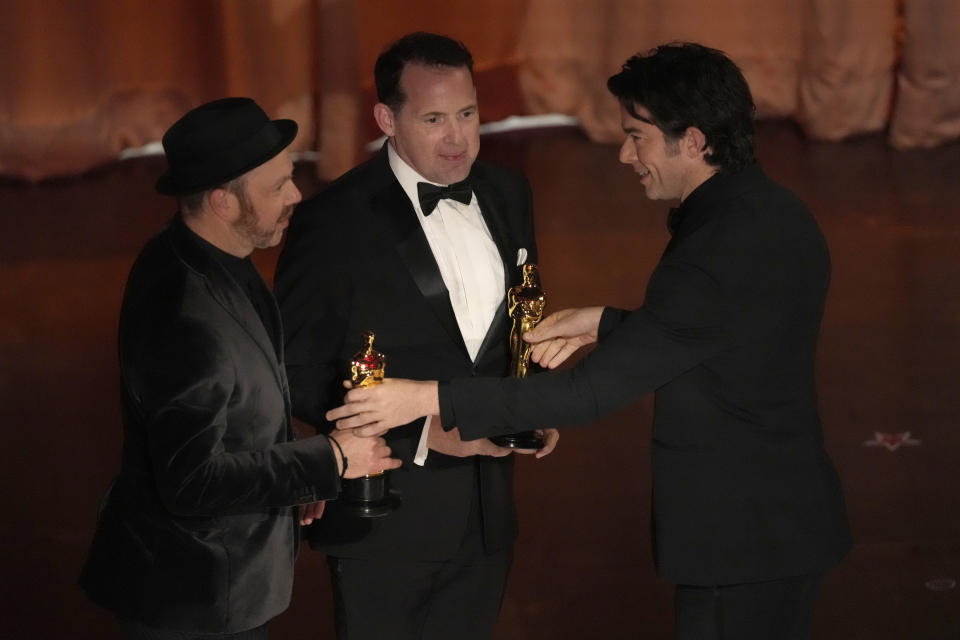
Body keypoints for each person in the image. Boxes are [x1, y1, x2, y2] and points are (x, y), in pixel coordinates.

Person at [327, 43, 853, 640]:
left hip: (745, 539)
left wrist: (424, 399)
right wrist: (604, 321)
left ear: (695, 140)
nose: (626, 154)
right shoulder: (770, 210)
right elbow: (723, 336)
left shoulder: (715, 251)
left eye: (638, 136)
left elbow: (586, 394)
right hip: (779, 521)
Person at [78, 97, 400, 640]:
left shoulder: (209, 255)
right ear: (223, 202)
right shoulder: (187, 317)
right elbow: (192, 481)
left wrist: (299, 468)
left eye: (290, 178)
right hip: (194, 597)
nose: (296, 195)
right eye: (277, 187)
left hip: (217, 585)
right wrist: (331, 458)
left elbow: (237, 402)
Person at [274, 32, 558, 640]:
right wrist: (426, 431)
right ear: (387, 119)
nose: (457, 137)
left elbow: (519, 319)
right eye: (433, 119)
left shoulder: (509, 193)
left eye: (467, 113)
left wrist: (536, 398)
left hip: (489, 516)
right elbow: (296, 370)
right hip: (386, 518)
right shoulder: (333, 221)